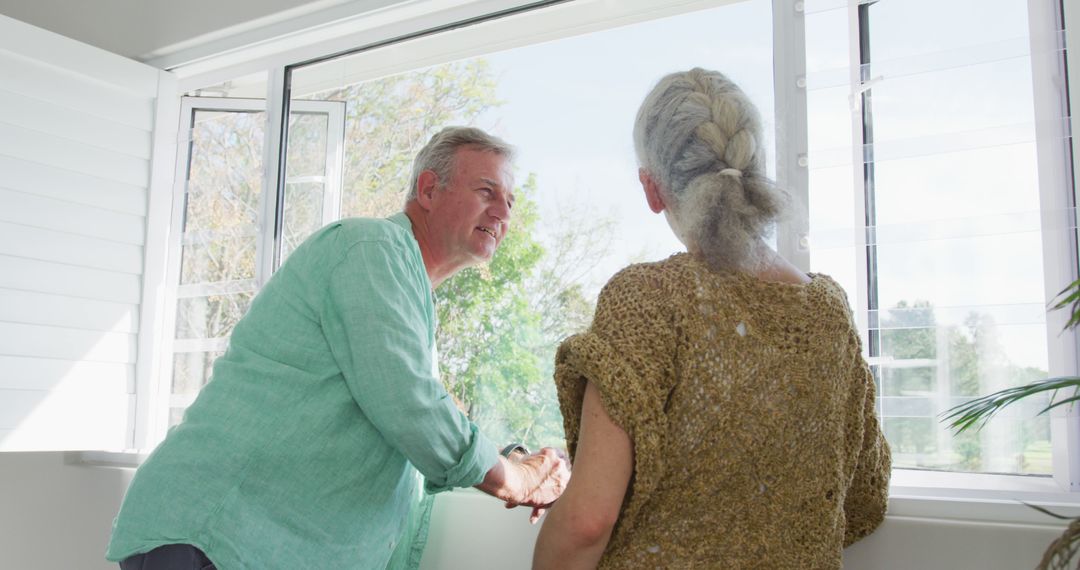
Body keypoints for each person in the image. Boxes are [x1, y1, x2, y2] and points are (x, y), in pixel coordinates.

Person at [106, 126, 570, 570]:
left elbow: (415, 417)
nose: (504, 214)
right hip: (217, 540)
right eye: (487, 192)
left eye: (509, 201)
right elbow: (413, 409)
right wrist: (517, 480)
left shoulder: (407, 291)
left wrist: (506, 456)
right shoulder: (370, 249)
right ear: (428, 190)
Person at [532, 68, 890, 569]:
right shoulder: (830, 312)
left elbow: (588, 521)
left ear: (652, 190)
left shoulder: (648, 300)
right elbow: (864, 499)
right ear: (756, 167)